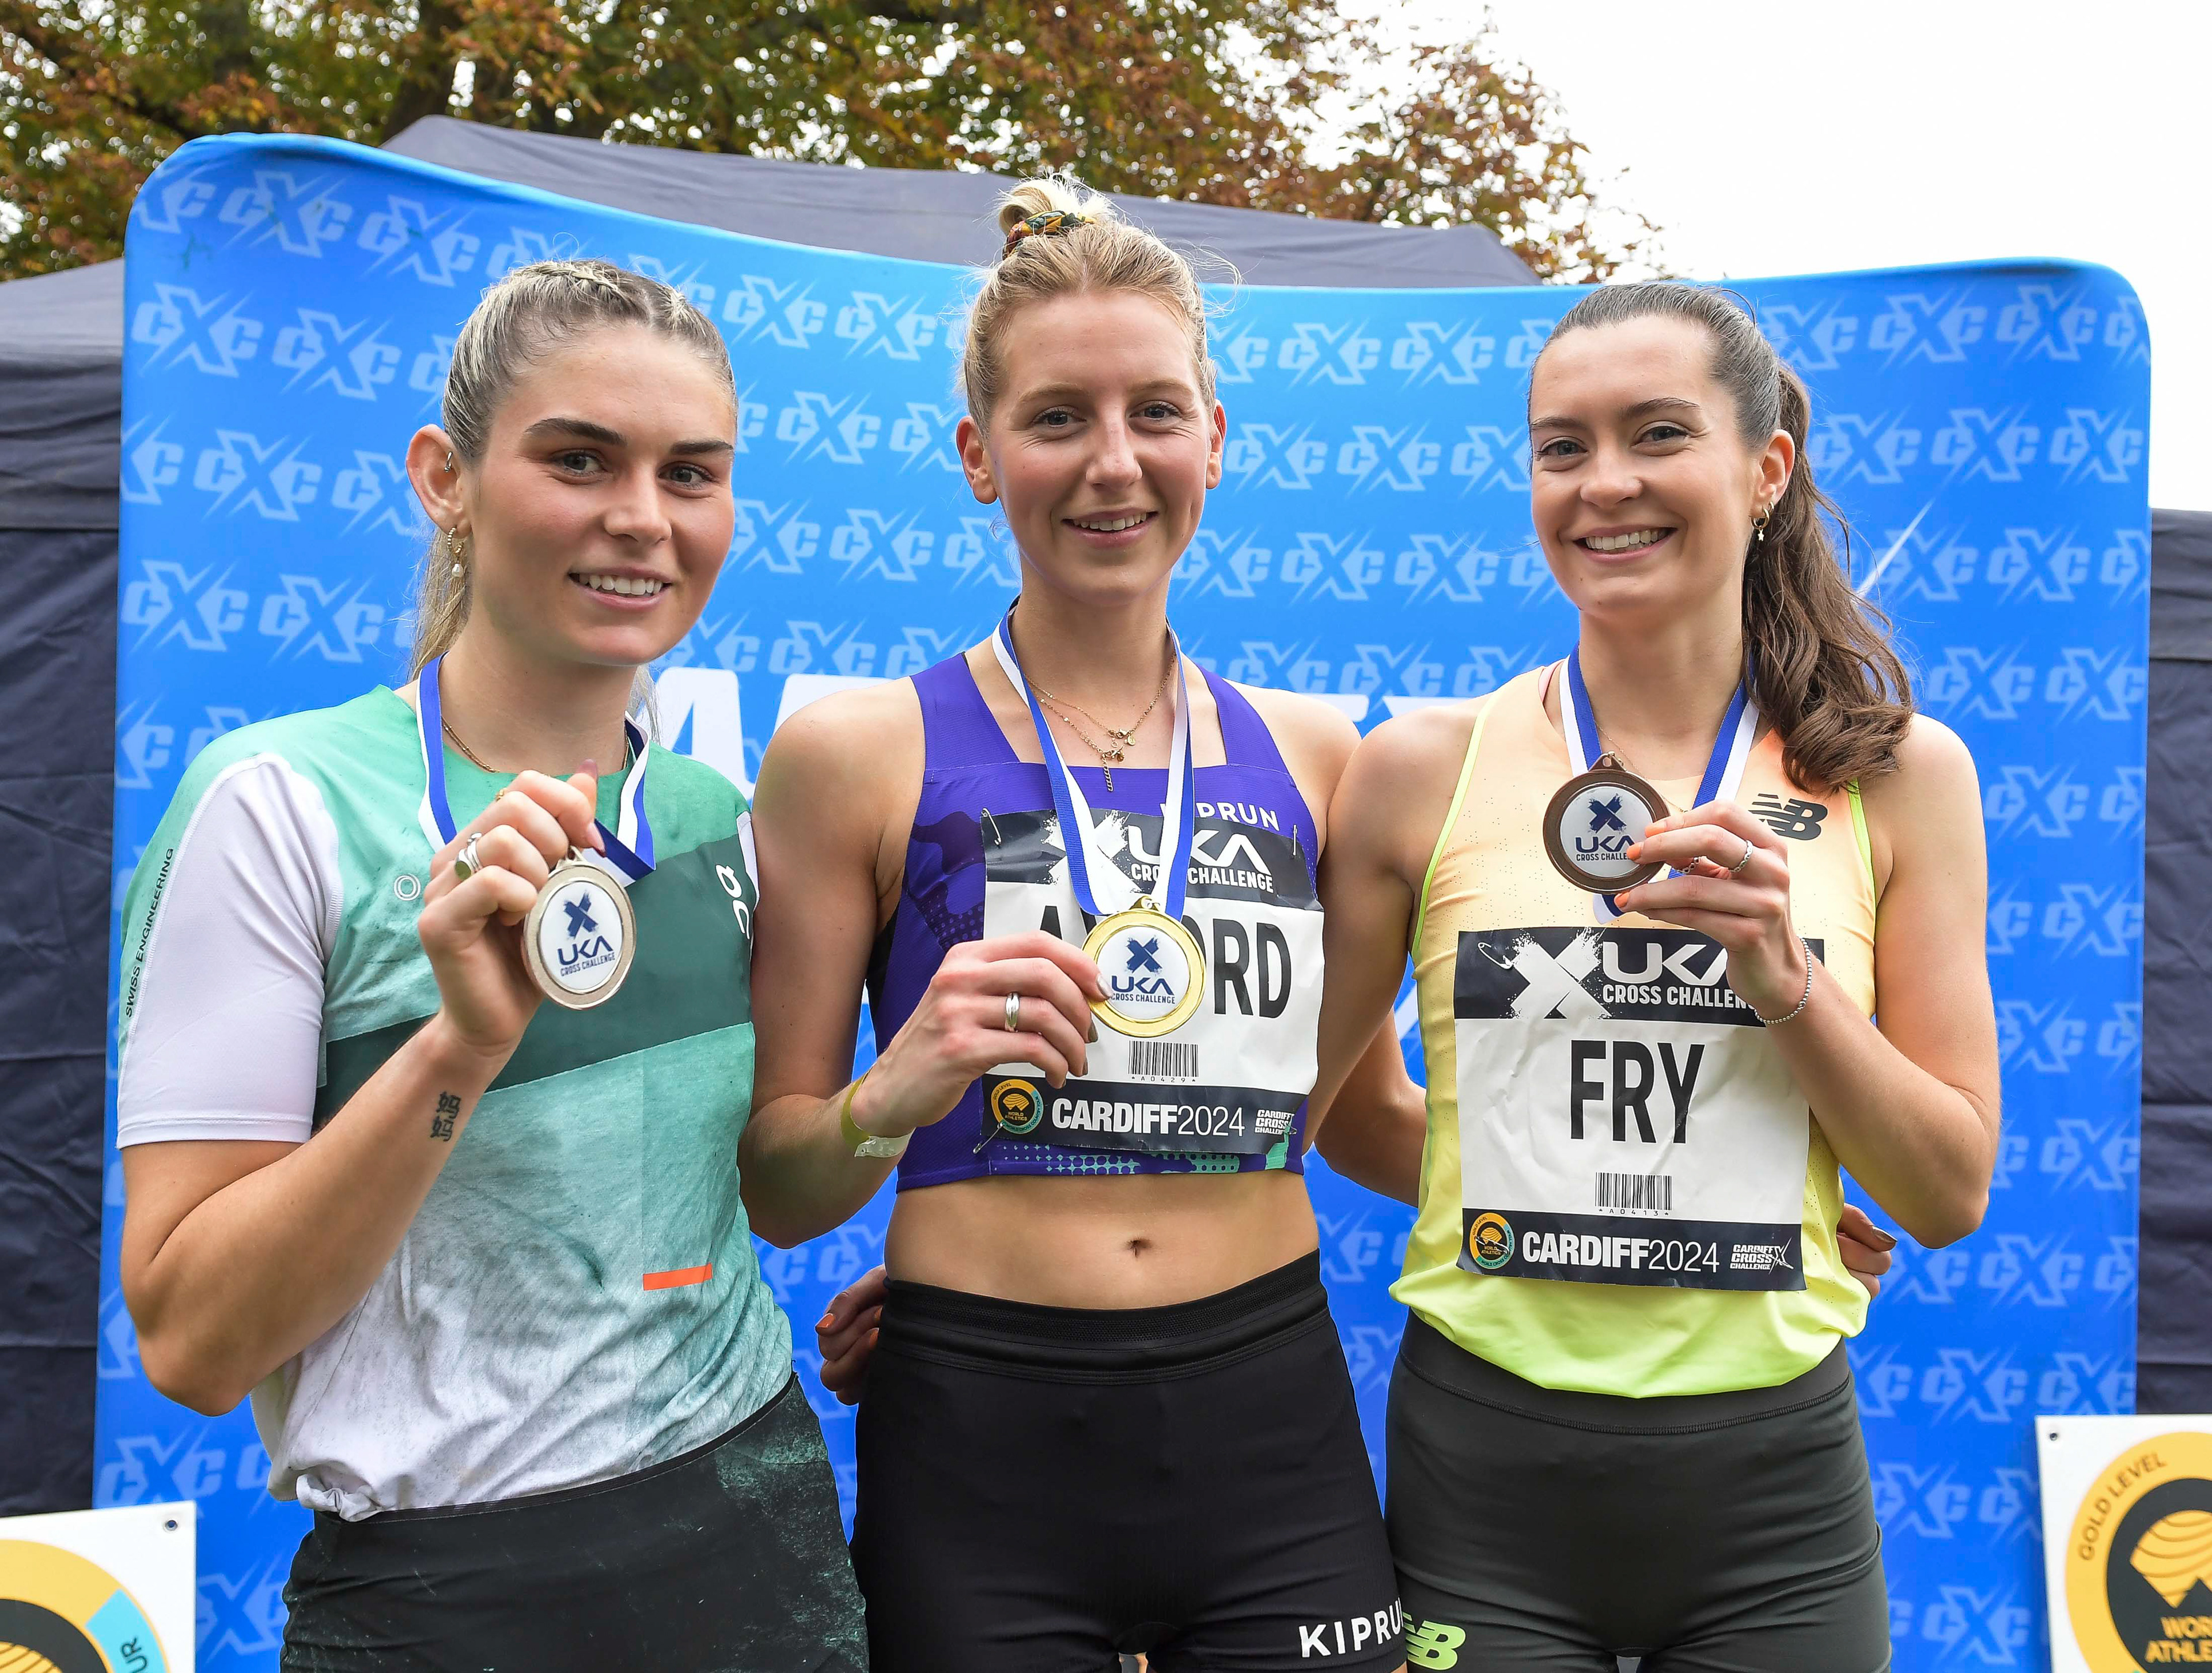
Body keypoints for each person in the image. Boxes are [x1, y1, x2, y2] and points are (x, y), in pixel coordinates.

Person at [114, 260, 866, 1672]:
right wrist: (456, 1048)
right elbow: (193, 1344)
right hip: (445, 1594)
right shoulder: (280, 803)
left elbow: (733, 1213)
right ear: (443, 478)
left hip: (760, 1533)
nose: (642, 518)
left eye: (691, 474)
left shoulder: (714, 817)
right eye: (580, 459)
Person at [741, 177, 1412, 1673]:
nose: (1115, 463)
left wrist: (1723, 1208)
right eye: (1058, 419)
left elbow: (1361, 1122)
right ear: (981, 456)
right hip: (982, 1431)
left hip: (1267, 1421)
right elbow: (782, 1186)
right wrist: (891, 1093)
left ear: (1217, 441)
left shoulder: (1321, 755)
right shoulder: (856, 751)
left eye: (1156, 413)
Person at [1310, 280, 1999, 1671]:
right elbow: (1316, 1113)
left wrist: (1786, 980)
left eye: (1657, 434)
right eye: (1563, 447)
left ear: (1765, 468)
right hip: (1483, 1472)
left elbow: (1946, 1191)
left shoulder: (1899, 777)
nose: (1604, 484)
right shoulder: (1417, 769)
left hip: (1773, 1499)